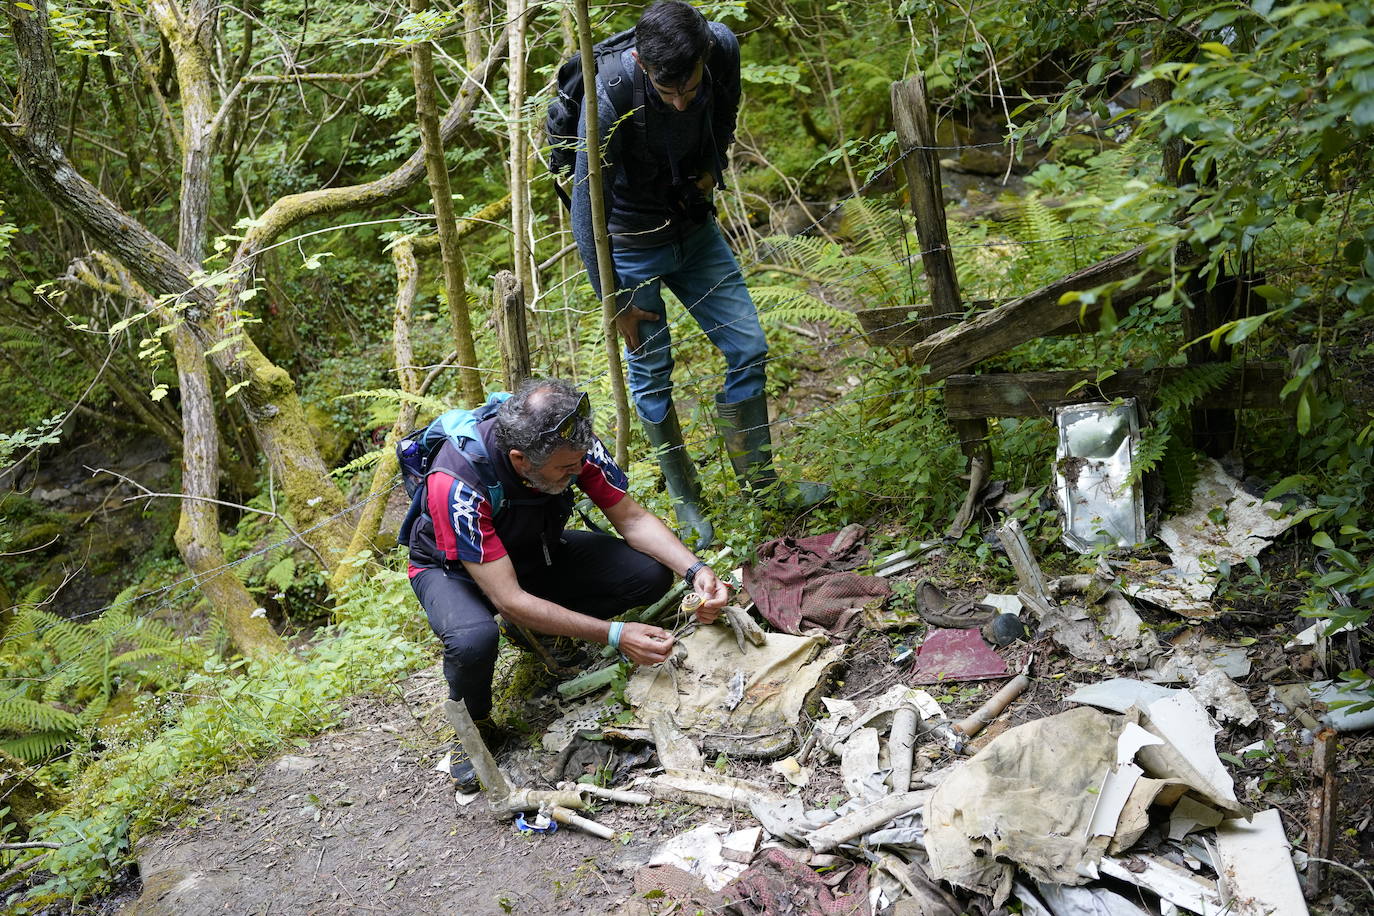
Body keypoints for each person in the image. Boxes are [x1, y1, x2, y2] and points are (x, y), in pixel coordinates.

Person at [571, 0, 826, 549]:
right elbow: (582, 201)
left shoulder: (723, 49)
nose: (682, 100)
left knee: (748, 347)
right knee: (652, 380)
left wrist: (714, 166)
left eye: (689, 87)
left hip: (695, 229)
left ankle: (761, 484)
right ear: (642, 63)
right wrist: (611, 296)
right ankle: (687, 501)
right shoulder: (610, 88)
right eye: (669, 93)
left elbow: (726, 110)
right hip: (631, 245)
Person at [406, 378, 729, 791]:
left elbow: (630, 519)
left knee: (648, 575)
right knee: (473, 640)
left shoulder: (574, 444)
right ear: (521, 460)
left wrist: (696, 570)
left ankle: (541, 630)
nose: (578, 471)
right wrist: (616, 634)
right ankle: (474, 727)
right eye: (565, 469)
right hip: (450, 571)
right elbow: (508, 598)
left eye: (579, 461)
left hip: (528, 549)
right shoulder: (457, 483)